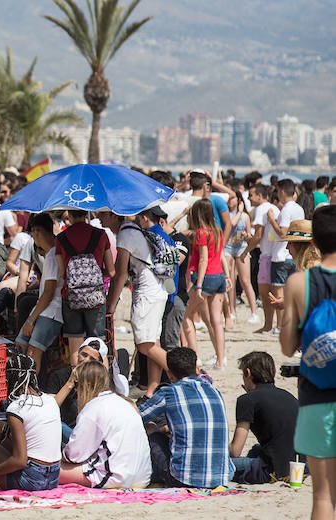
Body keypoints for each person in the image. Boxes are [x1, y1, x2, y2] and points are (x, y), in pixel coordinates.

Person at [280, 205, 336, 520]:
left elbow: (288, 347)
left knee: (324, 496)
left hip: (317, 394)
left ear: (313, 242)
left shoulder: (300, 283)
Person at [139, 347, 234, 488]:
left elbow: (138, 417)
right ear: (197, 369)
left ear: (170, 374)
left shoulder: (169, 393)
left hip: (183, 479)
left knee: (154, 434)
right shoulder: (214, 391)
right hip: (221, 477)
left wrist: (154, 427)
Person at [107, 208, 171, 398]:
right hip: (158, 290)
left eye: (102, 214)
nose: (99, 218)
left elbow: (120, 275)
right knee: (152, 342)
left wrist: (111, 304)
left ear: (113, 215)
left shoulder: (126, 234)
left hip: (147, 293)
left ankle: (189, 375)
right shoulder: (134, 228)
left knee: (145, 345)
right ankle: (151, 390)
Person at [59, 361, 152, 488]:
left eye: (76, 384)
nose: (76, 390)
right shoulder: (124, 402)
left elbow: (73, 455)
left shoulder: (93, 408)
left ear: (84, 385)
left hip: (117, 477)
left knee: (46, 469)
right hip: (143, 476)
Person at [0, 353, 62, 491]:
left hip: (31, 481)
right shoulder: (50, 400)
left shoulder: (17, 407)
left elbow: (19, 461)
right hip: (53, 479)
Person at [229, 351, 299, 484]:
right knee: (256, 448)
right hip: (301, 466)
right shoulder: (288, 396)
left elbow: (235, 451)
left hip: (274, 471)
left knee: (219, 465)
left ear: (247, 373)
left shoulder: (247, 400)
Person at [55, 210, 115, 365]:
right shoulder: (101, 235)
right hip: (95, 295)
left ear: (70, 215)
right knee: (98, 344)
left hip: (71, 296)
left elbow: (63, 273)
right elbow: (112, 271)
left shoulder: (61, 238)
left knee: (75, 343)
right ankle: (101, 384)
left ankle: (76, 383)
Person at [182, 199, 230, 369]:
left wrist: (199, 285)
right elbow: (222, 255)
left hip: (206, 277)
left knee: (187, 317)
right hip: (219, 277)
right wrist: (228, 276)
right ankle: (220, 360)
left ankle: (195, 357)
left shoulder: (202, 232)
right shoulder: (218, 231)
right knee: (216, 321)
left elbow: (203, 259)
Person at [15, 213, 62, 375]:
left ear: (36, 232)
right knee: (21, 346)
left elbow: (49, 293)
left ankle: (30, 390)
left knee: (32, 354)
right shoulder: (53, 253)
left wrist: (31, 320)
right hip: (46, 310)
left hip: (51, 312)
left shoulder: (53, 255)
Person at [267, 179, 305, 329]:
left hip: (281, 255)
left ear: (282, 192)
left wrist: (271, 220)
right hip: (294, 255)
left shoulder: (286, 209)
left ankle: (281, 326)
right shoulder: (299, 209)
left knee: (279, 294)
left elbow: (282, 233)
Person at [241, 184, 278, 333]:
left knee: (266, 293)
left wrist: (245, 252)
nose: (248, 198)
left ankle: (270, 325)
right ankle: (271, 325)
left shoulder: (262, 209)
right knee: (272, 292)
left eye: (251, 195)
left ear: (260, 196)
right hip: (272, 253)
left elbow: (258, 235)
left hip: (267, 255)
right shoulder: (272, 207)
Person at [224, 192, 260, 327]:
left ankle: (254, 312)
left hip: (241, 247)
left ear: (239, 200)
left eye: (232, 198)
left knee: (245, 280)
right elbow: (231, 224)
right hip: (227, 247)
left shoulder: (245, 216)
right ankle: (232, 311)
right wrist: (238, 212)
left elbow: (250, 235)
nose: (229, 201)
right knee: (230, 280)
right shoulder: (227, 214)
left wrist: (246, 236)